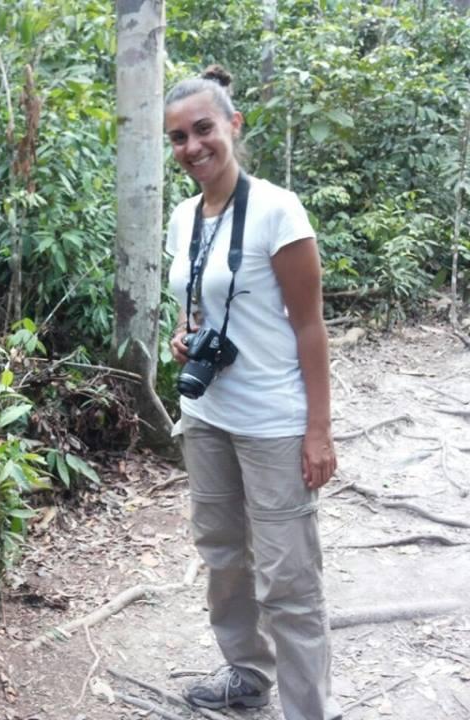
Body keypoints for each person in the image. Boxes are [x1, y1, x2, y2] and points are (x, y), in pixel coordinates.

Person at [163, 65, 342, 720]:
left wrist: (318, 429)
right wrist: (189, 338)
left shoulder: (278, 211)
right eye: (178, 137)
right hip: (207, 417)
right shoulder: (182, 218)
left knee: (289, 580)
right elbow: (206, 308)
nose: (192, 147)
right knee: (222, 559)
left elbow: (309, 326)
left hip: (273, 421)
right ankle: (246, 674)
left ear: (233, 126)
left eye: (203, 129)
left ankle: (309, 710)